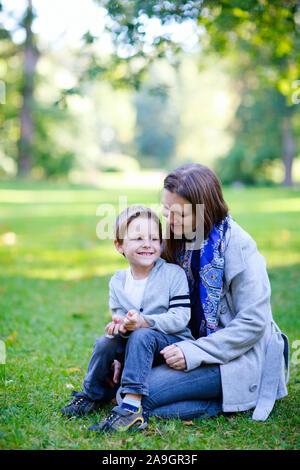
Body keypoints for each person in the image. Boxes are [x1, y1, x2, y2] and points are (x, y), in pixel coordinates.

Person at [131, 163, 288, 423]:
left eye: (179, 214)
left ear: (205, 211)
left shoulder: (238, 246)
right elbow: (157, 305)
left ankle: (231, 398)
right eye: (166, 209)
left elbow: (254, 323)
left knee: (143, 398)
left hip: (234, 356)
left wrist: (192, 352)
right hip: (183, 342)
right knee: (130, 386)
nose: (169, 220)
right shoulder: (174, 239)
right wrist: (128, 354)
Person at [61, 205, 194, 432]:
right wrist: (119, 326)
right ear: (119, 245)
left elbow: (181, 318)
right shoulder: (118, 280)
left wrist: (144, 322)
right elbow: (119, 314)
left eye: (154, 238)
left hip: (170, 344)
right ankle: (93, 394)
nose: (147, 244)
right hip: (136, 344)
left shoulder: (173, 274)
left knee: (142, 335)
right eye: (138, 238)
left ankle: (131, 408)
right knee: (106, 341)